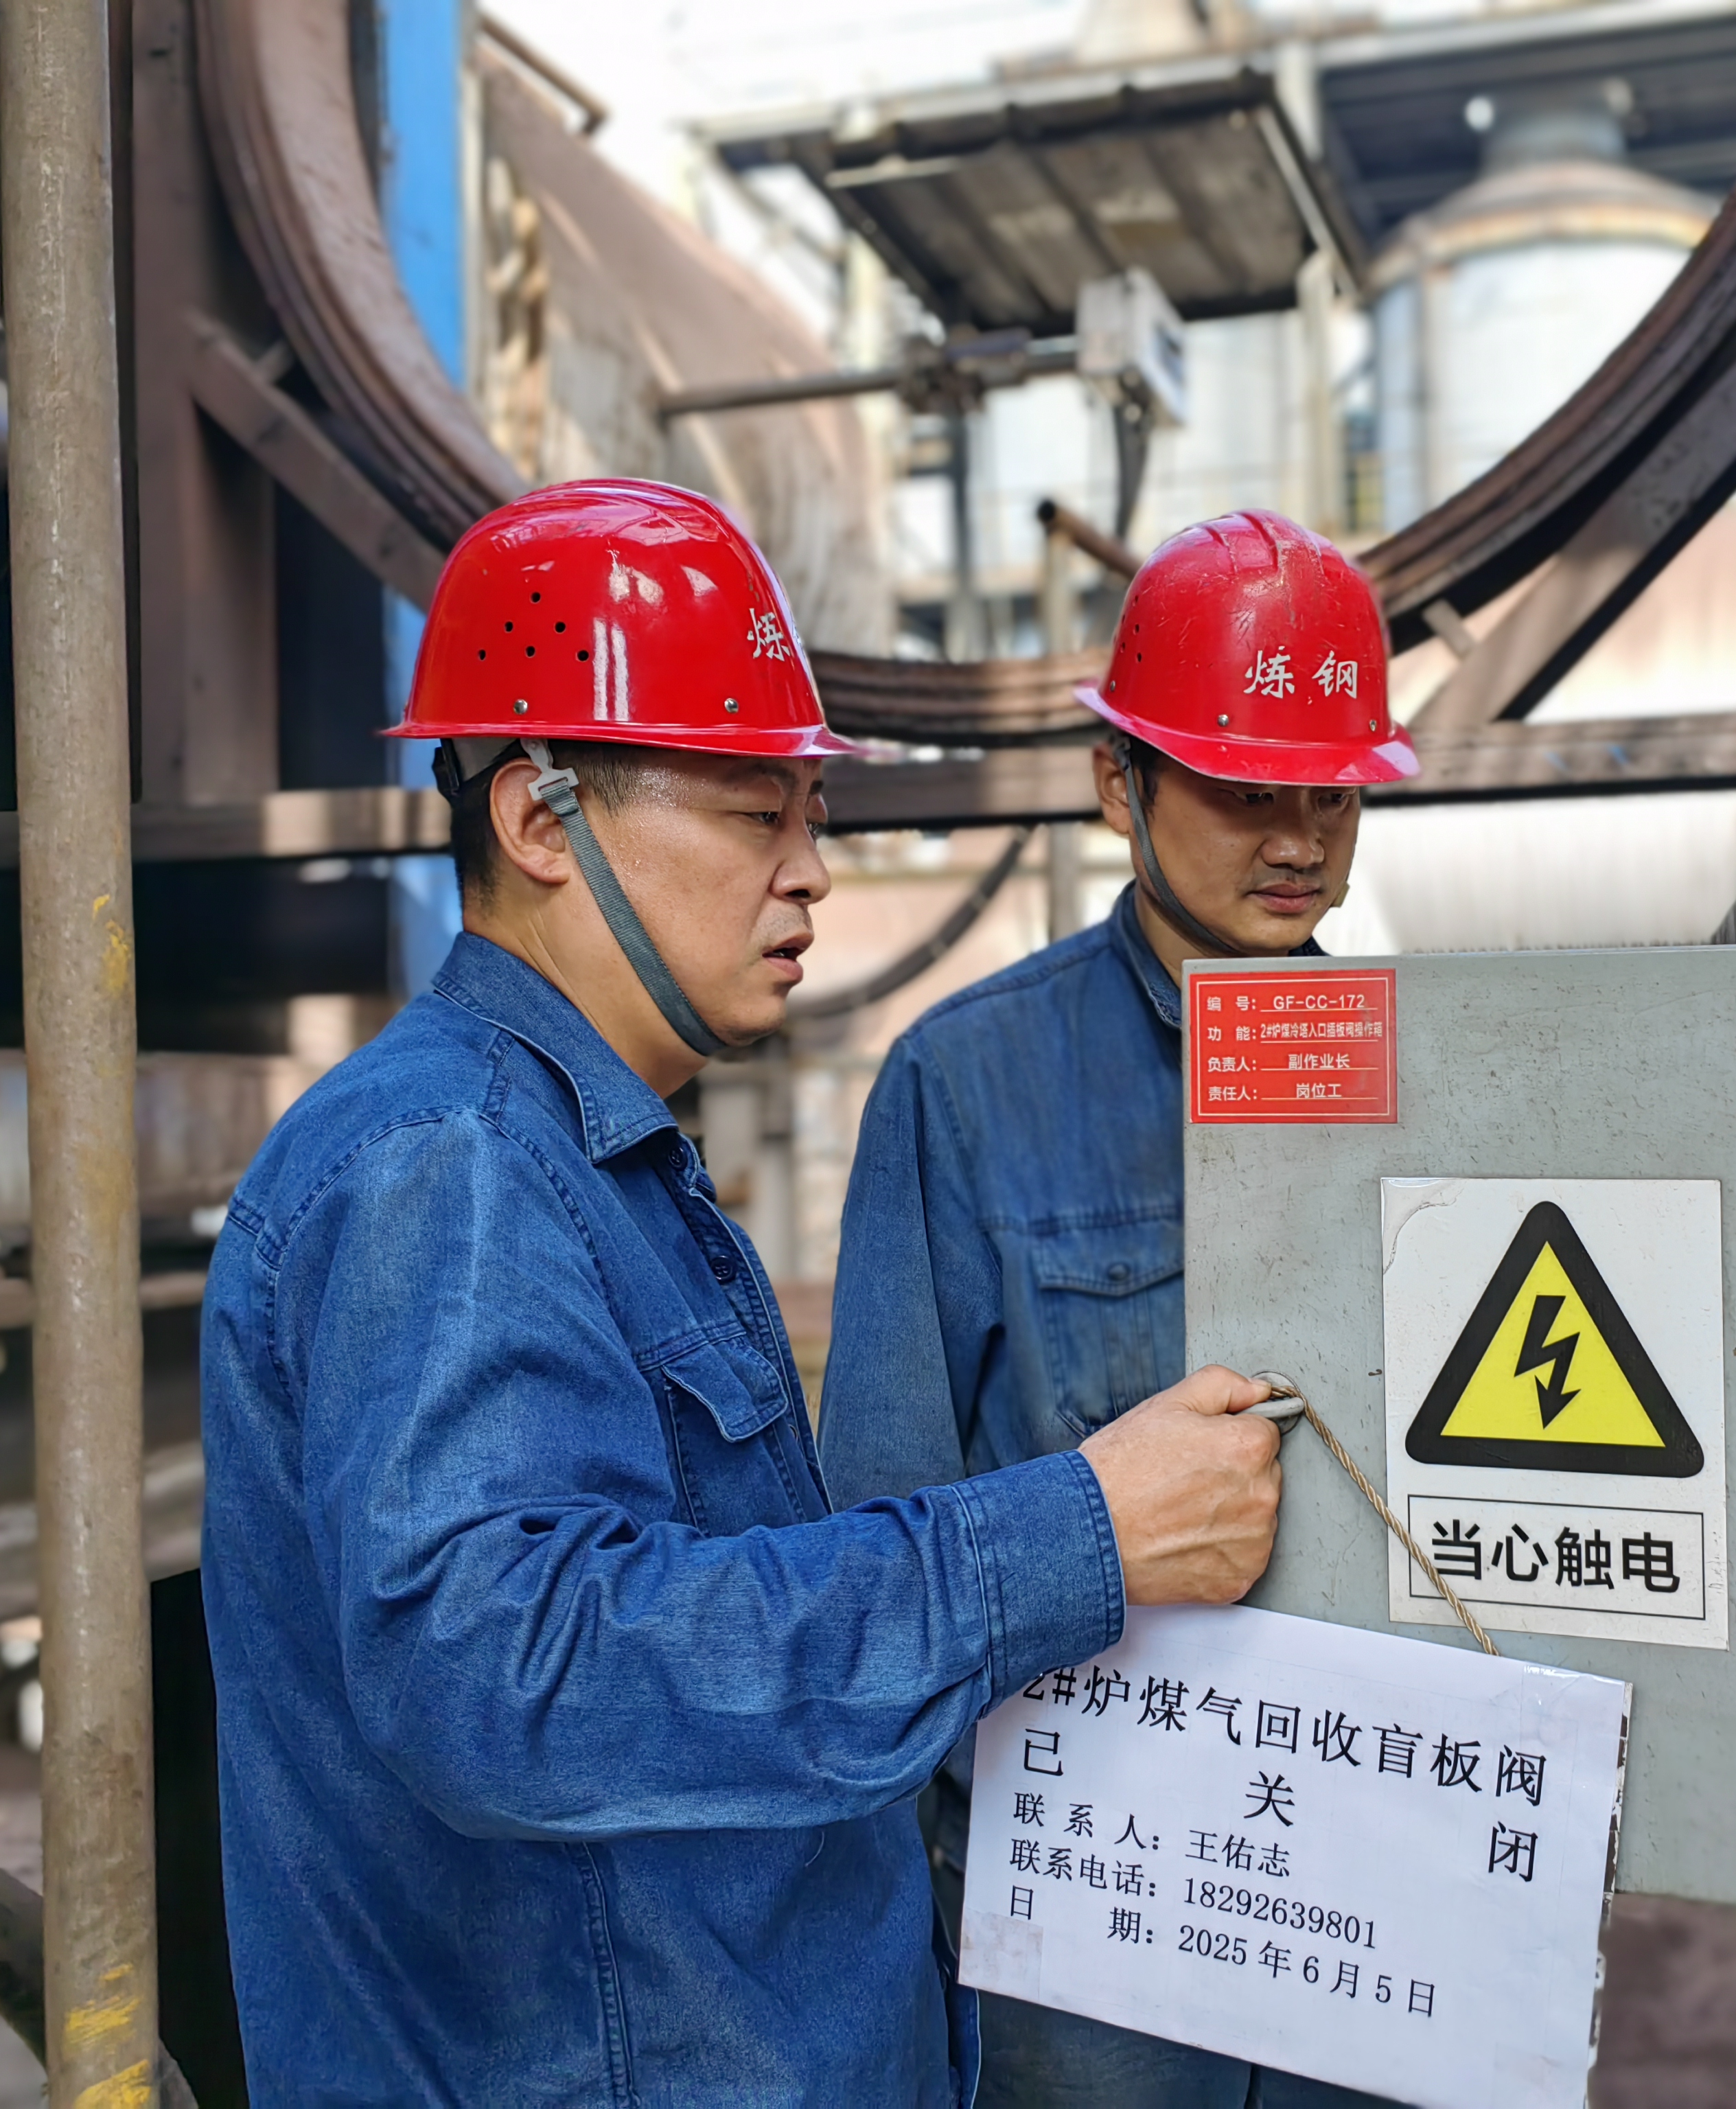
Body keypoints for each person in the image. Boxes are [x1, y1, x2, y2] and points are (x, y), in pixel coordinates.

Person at [197, 479, 1288, 2104]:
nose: (812, 875)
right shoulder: (450, 1165)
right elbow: (511, 1676)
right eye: (748, 812)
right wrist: (1076, 1534)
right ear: (538, 819)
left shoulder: (596, 1156)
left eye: (810, 815)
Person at [819, 509, 1419, 2108]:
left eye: (1335, 789)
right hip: (1092, 1948)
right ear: (1118, 785)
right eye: (1242, 784)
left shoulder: (1438, 1075)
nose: (1298, 833)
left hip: (1371, 1899)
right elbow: (881, 1543)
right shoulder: (964, 1089)